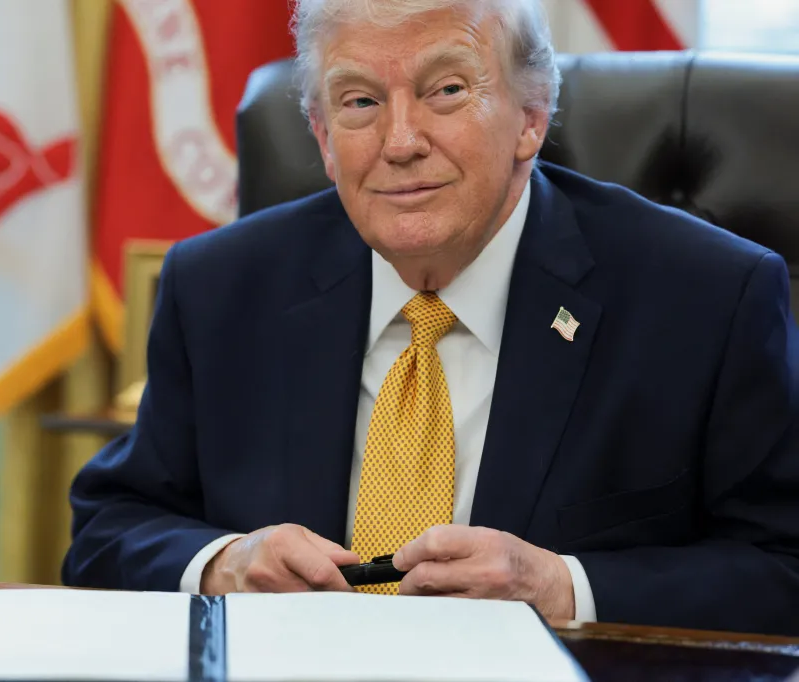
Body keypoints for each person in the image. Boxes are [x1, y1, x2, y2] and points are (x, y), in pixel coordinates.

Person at [62, 0, 799, 636]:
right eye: (359, 102)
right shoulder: (222, 287)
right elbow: (109, 528)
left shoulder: (704, 297)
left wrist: (562, 587)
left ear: (531, 118)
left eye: (445, 90)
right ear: (321, 138)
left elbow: (780, 566)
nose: (401, 141)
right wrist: (225, 564)